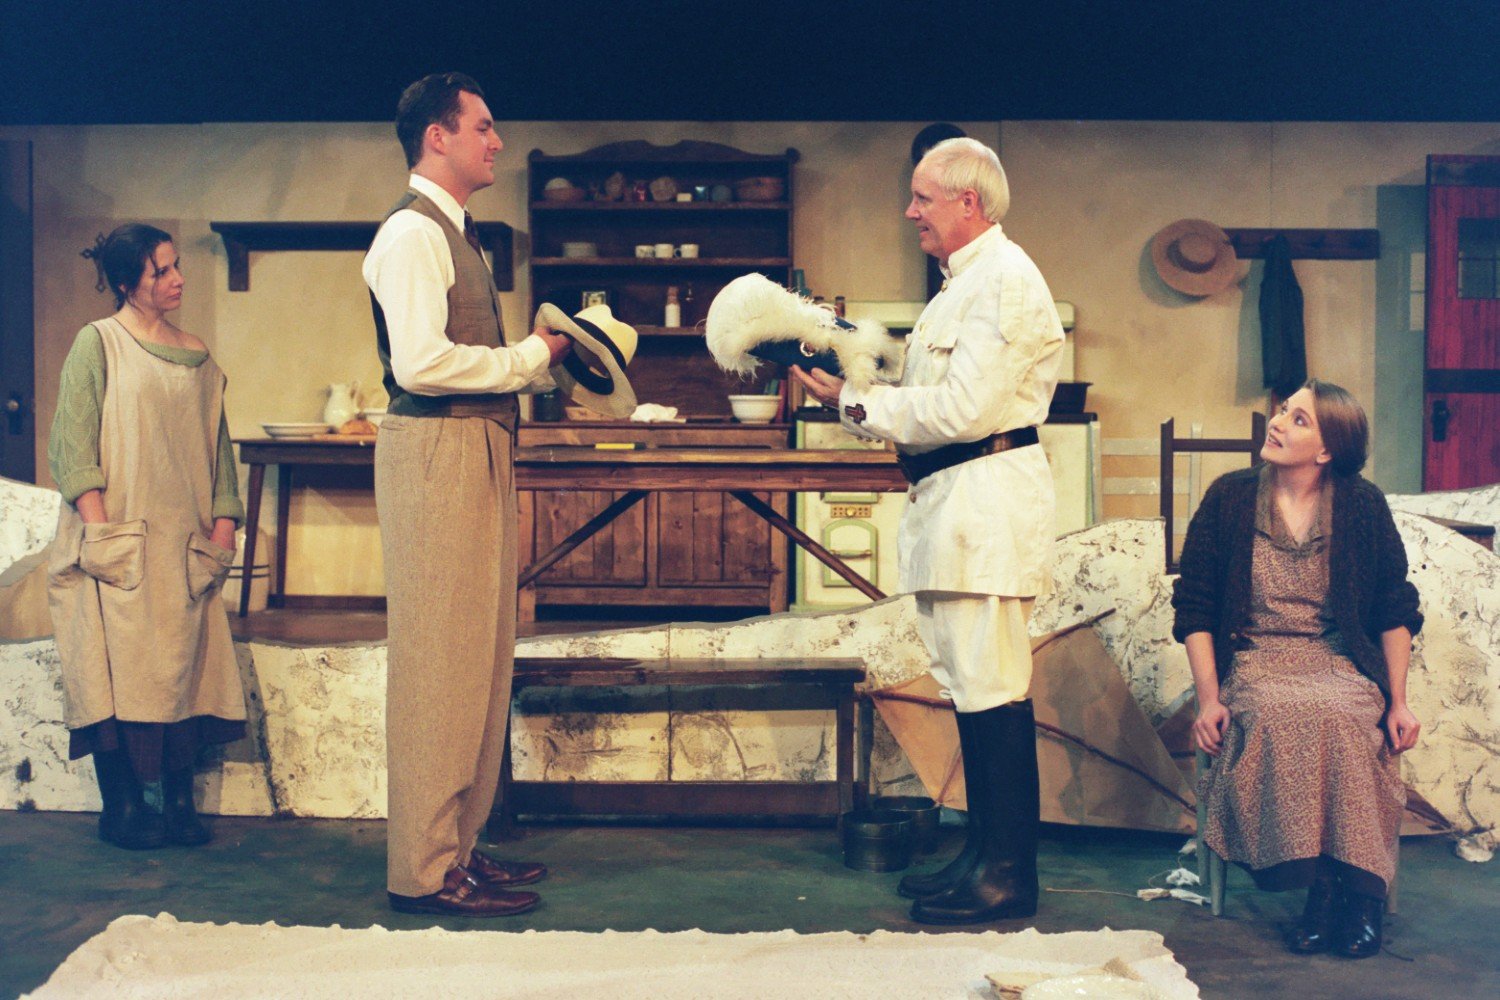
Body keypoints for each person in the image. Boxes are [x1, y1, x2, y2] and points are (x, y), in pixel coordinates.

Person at [793, 137, 1064, 924]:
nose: (910, 211)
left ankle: (1009, 873)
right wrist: (849, 381)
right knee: (972, 689)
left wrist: (855, 404)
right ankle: (983, 856)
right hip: (955, 507)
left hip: (985, 507)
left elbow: (963, 412)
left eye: (923, 198)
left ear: (968, 203)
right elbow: (925, 404)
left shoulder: (1005, 283)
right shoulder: (960, 288)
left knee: (993, 690)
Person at [363, 72, 571, 918]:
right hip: (439, 445)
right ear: (436, 138)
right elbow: (420, 362)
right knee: (438, 664)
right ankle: (421, 869)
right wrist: (528, 359)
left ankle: (458, 846)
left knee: (479, 660)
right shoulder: (410, 236)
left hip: (476, 443)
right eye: (482, 127)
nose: (495, 141)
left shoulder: (458, 233)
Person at [1173, 380, 1422, 958]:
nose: (1279, 421)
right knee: (1283, 713)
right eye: (1284, 410)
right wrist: (1210, 700)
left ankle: (1352, 895)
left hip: (1338, 658)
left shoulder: (1362, 505)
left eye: (1300, 419)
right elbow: (1197, 607)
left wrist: (1400, 699)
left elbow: (1394, 606)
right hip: (1257, 659)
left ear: (1328, 449)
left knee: (1349, 714)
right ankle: (1322, 886)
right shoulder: (1230, 498)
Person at [48, 223, 247, 850]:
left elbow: (218, 448)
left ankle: (180, 805)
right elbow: (72, 443)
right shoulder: (98, 343)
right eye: (161, 271)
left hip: (181, 542)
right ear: (129, 282)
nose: (177, 278)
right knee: (114, 668)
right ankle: (125, 808)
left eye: (176, 266)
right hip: (118, 540)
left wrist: (223, 522)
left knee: (183, 666)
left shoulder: (197, 354)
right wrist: (100, 525)